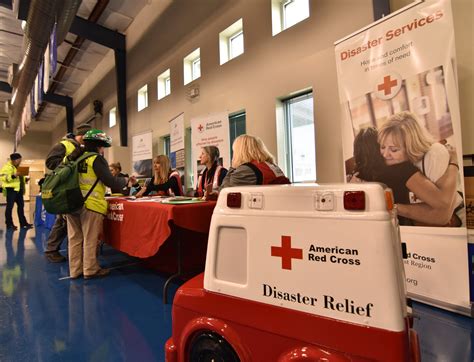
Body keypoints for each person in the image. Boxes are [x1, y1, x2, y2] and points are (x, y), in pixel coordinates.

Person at [66, 129, 136, 279]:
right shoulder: (95, 159)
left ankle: (75, 270)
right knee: (90, 238)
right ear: (99, 146)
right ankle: (90, 270)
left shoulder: (75, 158)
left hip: (71, 203)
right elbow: (110, 181)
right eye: (103, 146)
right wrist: (125, 180)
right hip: (90, 204)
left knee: (74, 239)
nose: (103, 149)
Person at [378, 112, 462, 226]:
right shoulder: (395, 166)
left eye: (393, 150)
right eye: (383, 147)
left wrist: (454, 163)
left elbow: (443, 211)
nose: (385, 154)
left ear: (411, 147)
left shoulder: (433, 156)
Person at [44, 123, 91, 263]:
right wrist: (70, 158)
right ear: (82, 136)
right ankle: (51, 249)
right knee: (62, 221)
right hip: (65, 188)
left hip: (76, 188)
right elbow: (50, 163)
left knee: (66, 221)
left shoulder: (81, 148)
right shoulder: (64, 145)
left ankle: (57, 249)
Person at [219, 134, 290, 190]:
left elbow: (223, 192)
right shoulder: (272, 165)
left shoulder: (246, 170)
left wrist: (232, 167)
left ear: (239, 152)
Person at [0, 153, 33, 230]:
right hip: (11, 190)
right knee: (9, 207)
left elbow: (18, 179)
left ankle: (23, 223)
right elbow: (3, 178)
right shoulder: (7, 167)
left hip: (18, 190)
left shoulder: (17, 167)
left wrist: (25, 180)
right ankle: (9, 224)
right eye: (19, 160)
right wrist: (13, 175)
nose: (20, 162)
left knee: (21, 207)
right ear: (14, 160)